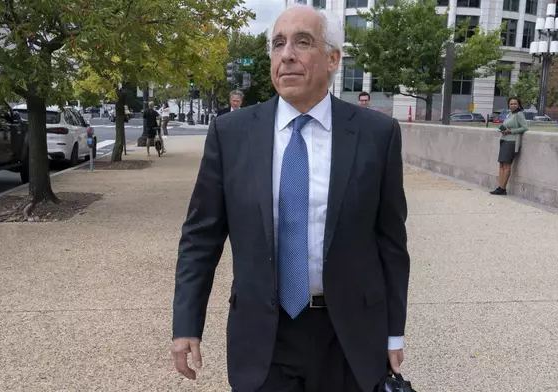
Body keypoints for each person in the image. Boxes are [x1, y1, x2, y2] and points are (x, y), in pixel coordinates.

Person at [171, 4, 410, 392]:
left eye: (303, 42)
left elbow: (391, 243)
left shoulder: (376, 135)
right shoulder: (231, 134)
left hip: (348, 334)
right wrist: (186, 325)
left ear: (333, 58)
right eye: (278, 43)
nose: (287, 55)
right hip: (263, 335)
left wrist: (393, 333)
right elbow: (200, 238)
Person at [490, 96, 528, 195]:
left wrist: (511, 131)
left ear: (519, 104)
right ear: (508, 105)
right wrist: (502, 129)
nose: (513, 105)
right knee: (501, 164)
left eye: (515, 103)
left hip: (511, 142)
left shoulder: (519, 114)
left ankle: (503, 188)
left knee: (506, 165)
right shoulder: (509, 114)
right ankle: (499, 186)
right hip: (504, 140)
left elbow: (525, 127)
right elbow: (506, 125)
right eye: (511, 104)